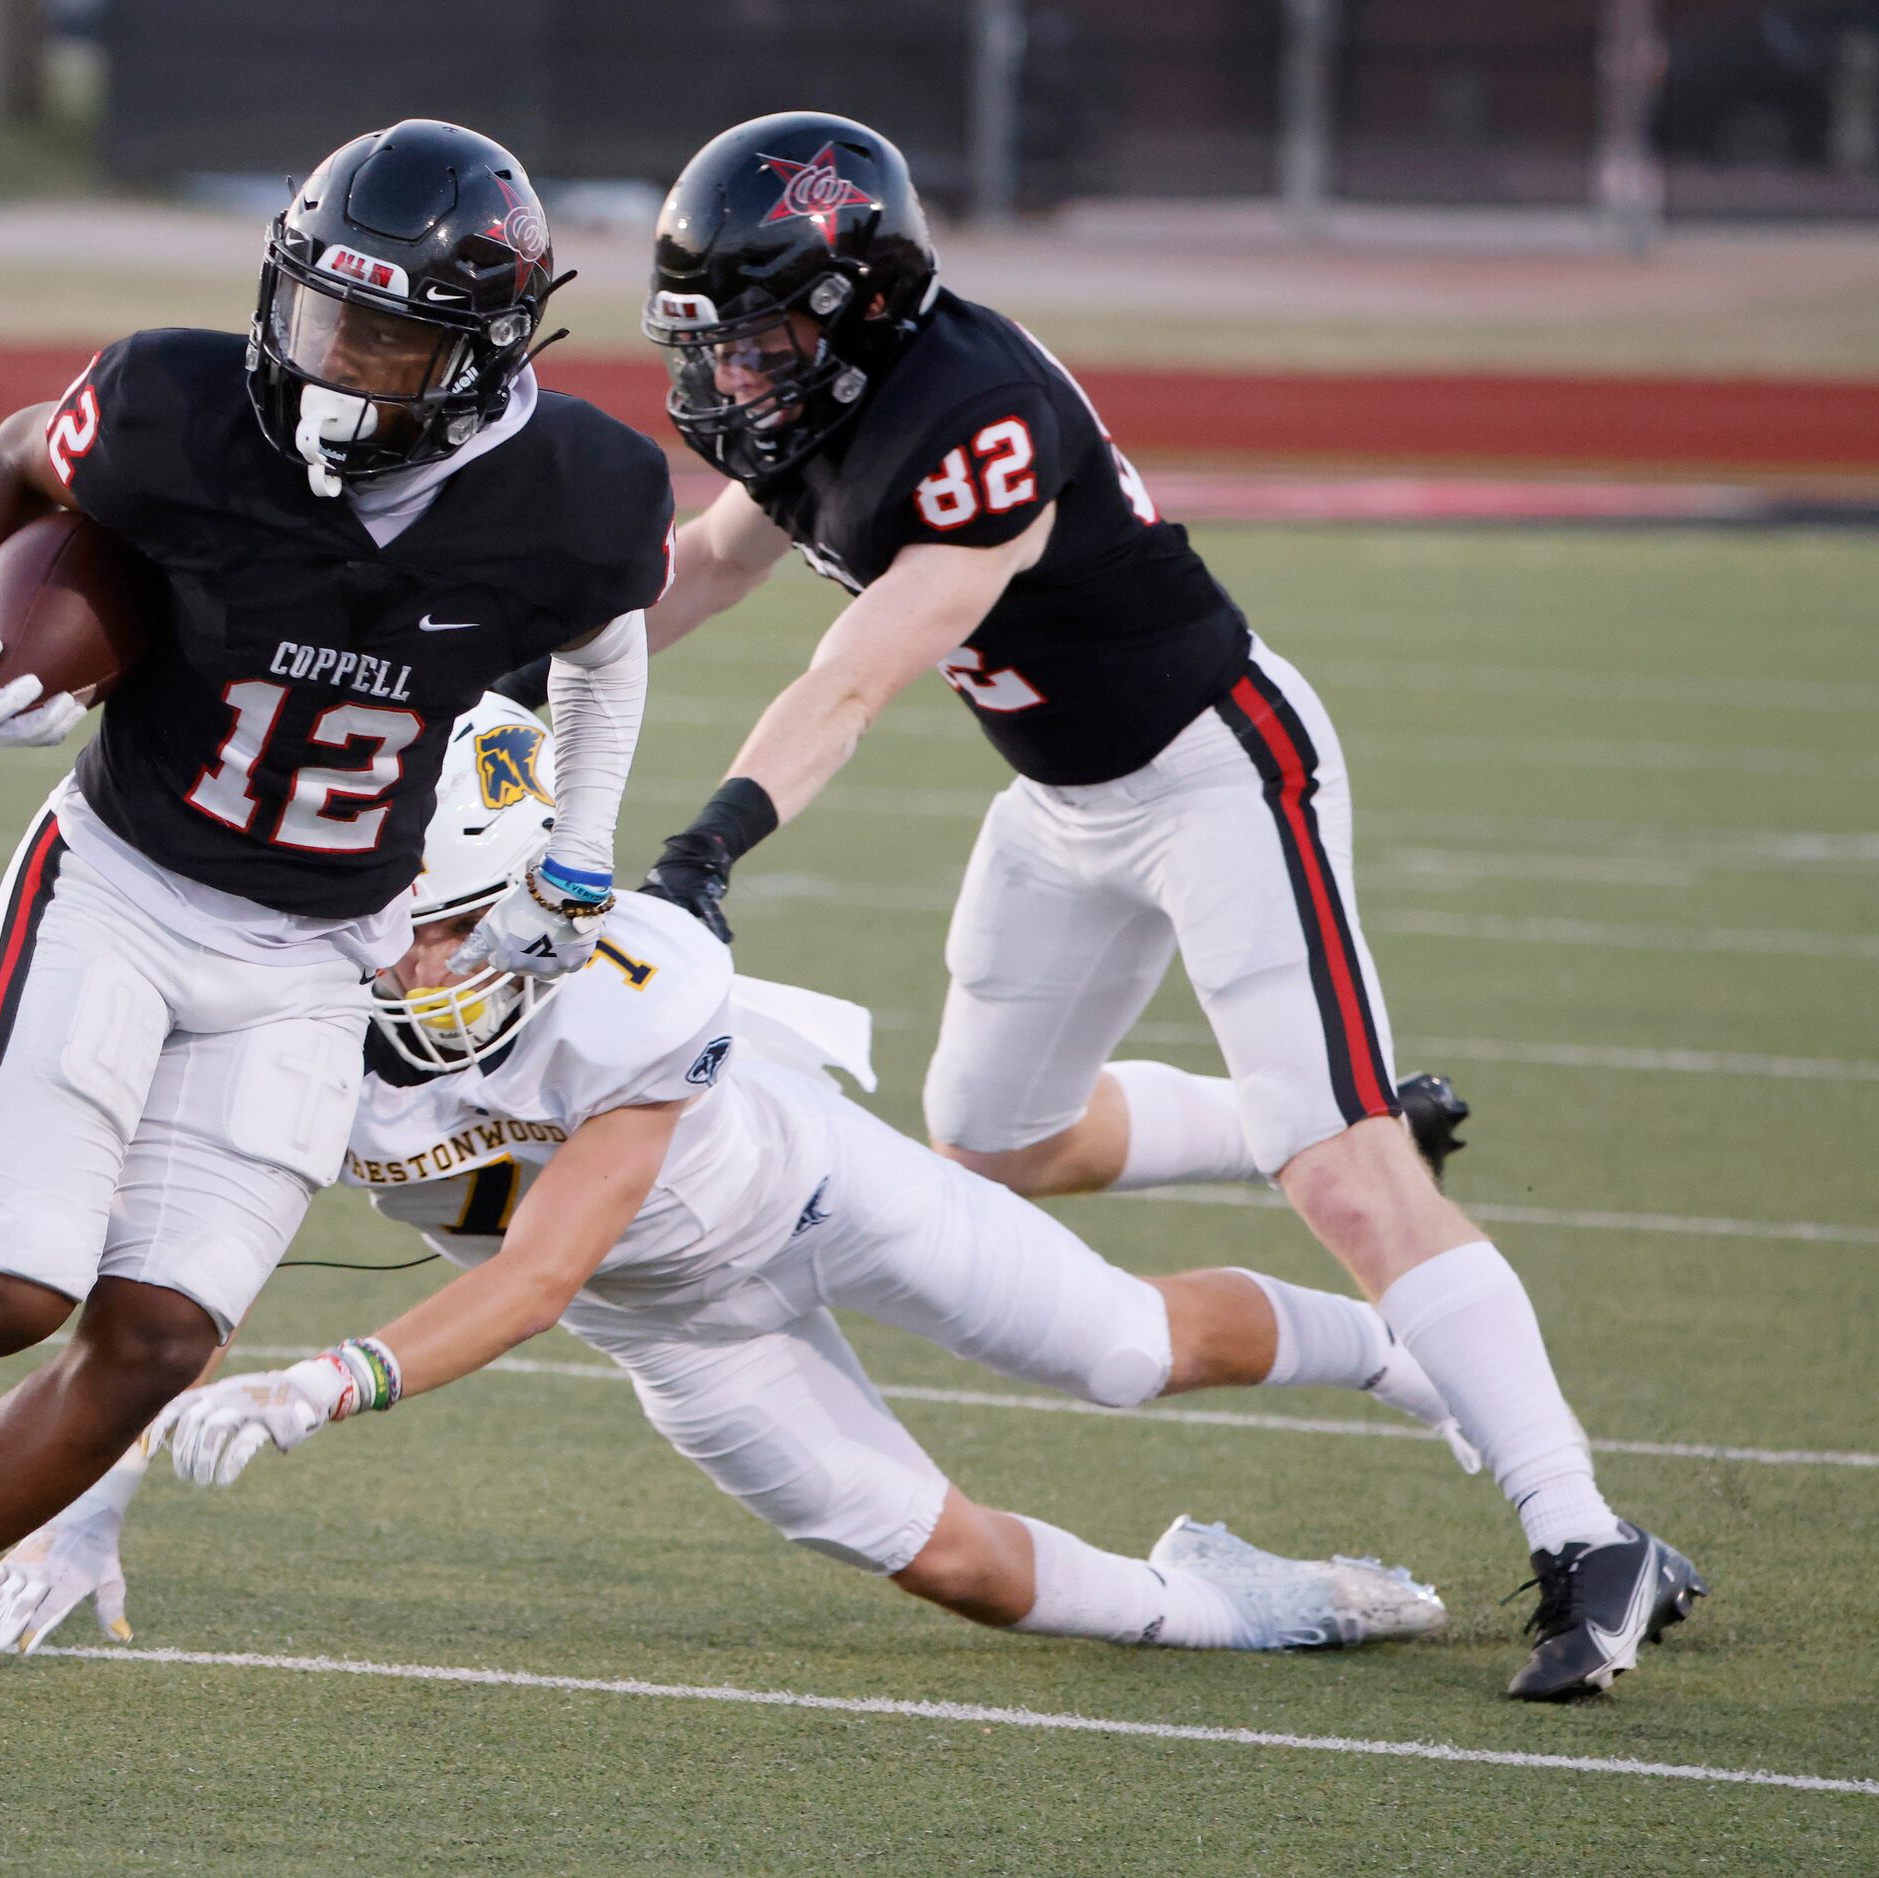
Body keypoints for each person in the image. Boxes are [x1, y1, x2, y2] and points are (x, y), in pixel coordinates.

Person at [618, 113, 1700, 1700]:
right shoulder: (823, 405)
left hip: (1216, 774)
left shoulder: (974, 412)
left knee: (1341, 1179)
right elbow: (705, 564)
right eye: (719, 333)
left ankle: (1585, 1530)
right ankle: (1358, 1104)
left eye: (767, 324)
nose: (739, 367)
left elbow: (854, 673)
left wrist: (711, 842)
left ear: (860, 301)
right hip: (1063, 804)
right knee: (993, 1144)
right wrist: (524, 660)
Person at [0, 121, 673, 1772]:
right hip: (125, 885)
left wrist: (575, 864)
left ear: (487, 345)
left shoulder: (577, 494)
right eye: (320, 315)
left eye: (389, 335)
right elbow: (20, 454)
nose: (337, 362)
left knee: (155, 1345)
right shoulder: (171, 404)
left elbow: (605, 645)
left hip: (322, 946)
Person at [0, 698, 1462, 1662]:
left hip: (815, 1190)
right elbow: (162, 1287)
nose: (416, 961)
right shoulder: (282, 1032)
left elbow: (536, 1272)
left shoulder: (622, 987)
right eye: (391, 920)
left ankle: (1410, 1351)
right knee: (959, 1569)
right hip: (676, 1331)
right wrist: (89, 1496)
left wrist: (323, 1385)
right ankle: (1223, 1605)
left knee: (1128, 1347)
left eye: (451, 923)